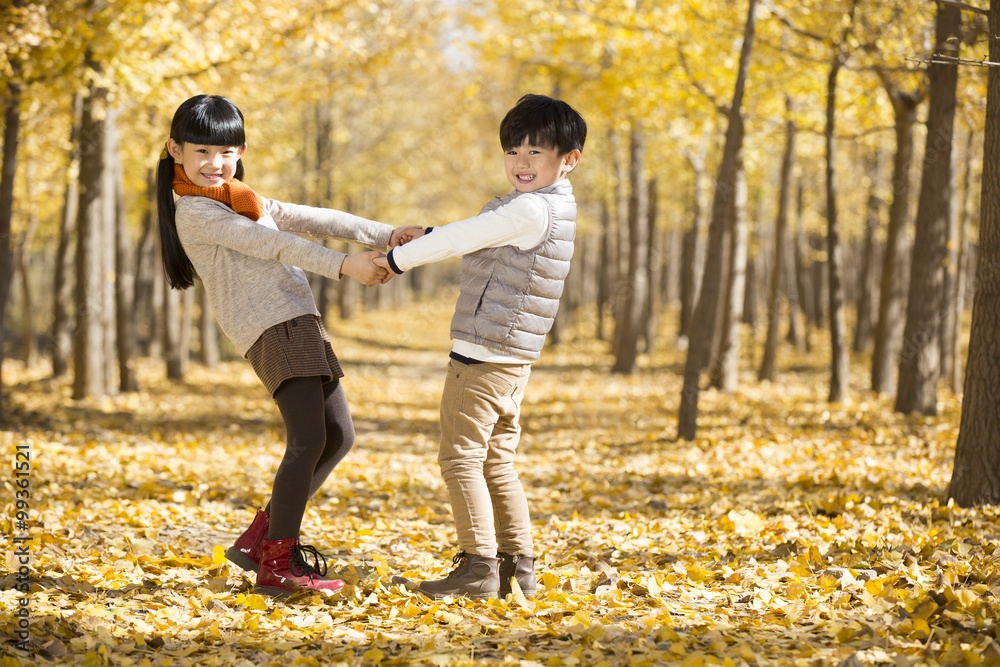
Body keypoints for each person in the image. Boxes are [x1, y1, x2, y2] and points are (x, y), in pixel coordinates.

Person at [156, 94, 417, 598]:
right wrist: (347, 266)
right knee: (306, 441)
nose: (216, 164)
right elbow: (276, 245)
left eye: (227, 152)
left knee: (338, 436)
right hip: (272, 326)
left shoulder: (239, 197)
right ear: (176, 150)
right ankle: (277, 562)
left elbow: (315, 219)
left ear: (242, 150)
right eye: (203, 152)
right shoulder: (196, 211)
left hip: (298, 320)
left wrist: (388, 233)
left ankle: (259, 541)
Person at [375, 93, 587, 599]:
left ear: (568, 159)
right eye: (513, 151)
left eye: (535, 152)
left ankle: (478, 568)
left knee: (460, 459)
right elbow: (477, 235)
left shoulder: (532, 208)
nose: (521, 163)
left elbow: (464, 238)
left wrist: (396, 260)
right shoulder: (544, 209)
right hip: (511, 355)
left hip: (485, 353)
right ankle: (518, 567)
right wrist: (425, 233)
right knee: (496, 461)